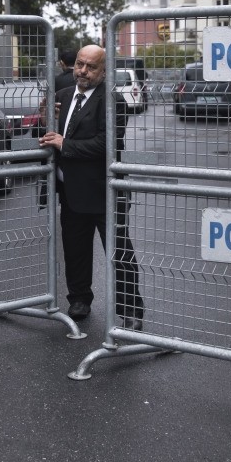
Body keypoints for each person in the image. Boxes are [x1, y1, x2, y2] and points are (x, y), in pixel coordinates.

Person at [38, 45, 144, 328]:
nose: (82, 71)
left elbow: (105, 144)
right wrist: (44, 119)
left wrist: (65, 144)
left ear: (105, 71)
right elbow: (46, 139)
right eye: (80, 65)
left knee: (119, 252)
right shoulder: (60, 97)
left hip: (104, 193)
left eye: (91, 67)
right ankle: (79, 300)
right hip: (71, 192)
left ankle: (131, 311)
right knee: (75, 250)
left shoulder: (113, 101)